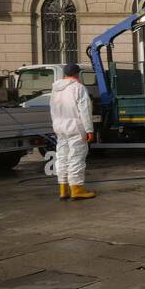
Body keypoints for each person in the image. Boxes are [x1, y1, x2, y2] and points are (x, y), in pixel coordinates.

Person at [50, 63, 95, 200]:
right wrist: (89, 129)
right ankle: (76, 189)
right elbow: (85, 110)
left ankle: (63, 188)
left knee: (62, 157)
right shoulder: (78, 88)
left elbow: (53, 109)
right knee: (76, 157)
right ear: (77, 73)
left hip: (59, 126)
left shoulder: (55, 89)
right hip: (75, 127)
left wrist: (56, 125)